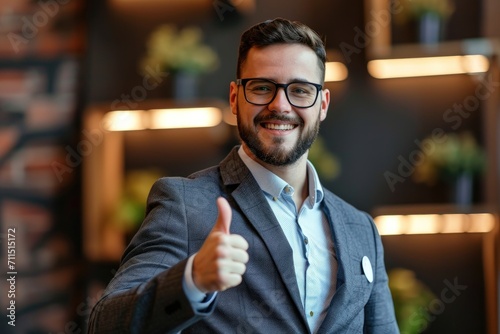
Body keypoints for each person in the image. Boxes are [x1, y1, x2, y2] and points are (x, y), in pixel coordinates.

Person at [88, 18, 398, 333]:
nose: (280, 106)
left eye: (301, 90)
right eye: (263, 88)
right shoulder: (184, 205)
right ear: (235, 98)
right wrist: (192, 280)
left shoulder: (360, 229)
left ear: (322, 104)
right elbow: (104, 324)